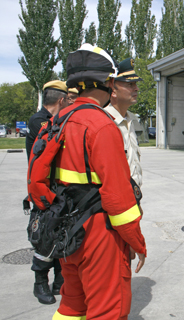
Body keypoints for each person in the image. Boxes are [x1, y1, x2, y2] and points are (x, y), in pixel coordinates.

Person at [37, 44, 146, 320]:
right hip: (99, 235)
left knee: (72, 305)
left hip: (67, 231)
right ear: (108, 82)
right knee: (109, 309)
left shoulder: (59, 119)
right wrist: (137, 242)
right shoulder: (101, 126)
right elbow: (119, 201)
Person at [26, 80, 68, 304]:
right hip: (42, 189)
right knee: (44, 238)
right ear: (61, 100)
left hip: (56, 190)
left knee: (60, 235)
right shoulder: (41, 122)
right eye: (68, 99)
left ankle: (60, 280)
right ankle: (40, 283)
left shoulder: (54, 121)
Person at [105, 57, 143, 190]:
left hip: (132, 197)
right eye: (130, 85)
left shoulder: (129, 121)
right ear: (113, 90)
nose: (136, 89)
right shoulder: (105, 122)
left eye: (136, 84)